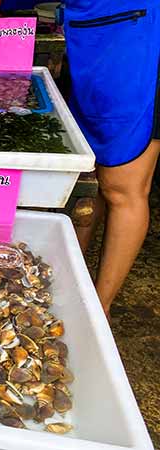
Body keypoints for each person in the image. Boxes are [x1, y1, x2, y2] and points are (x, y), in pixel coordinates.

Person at [64, 0, 160, 318]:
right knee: (89, 176)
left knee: (122, 187)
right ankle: (68, 281)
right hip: (93, 34)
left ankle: (99, 309)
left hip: (139, 36)